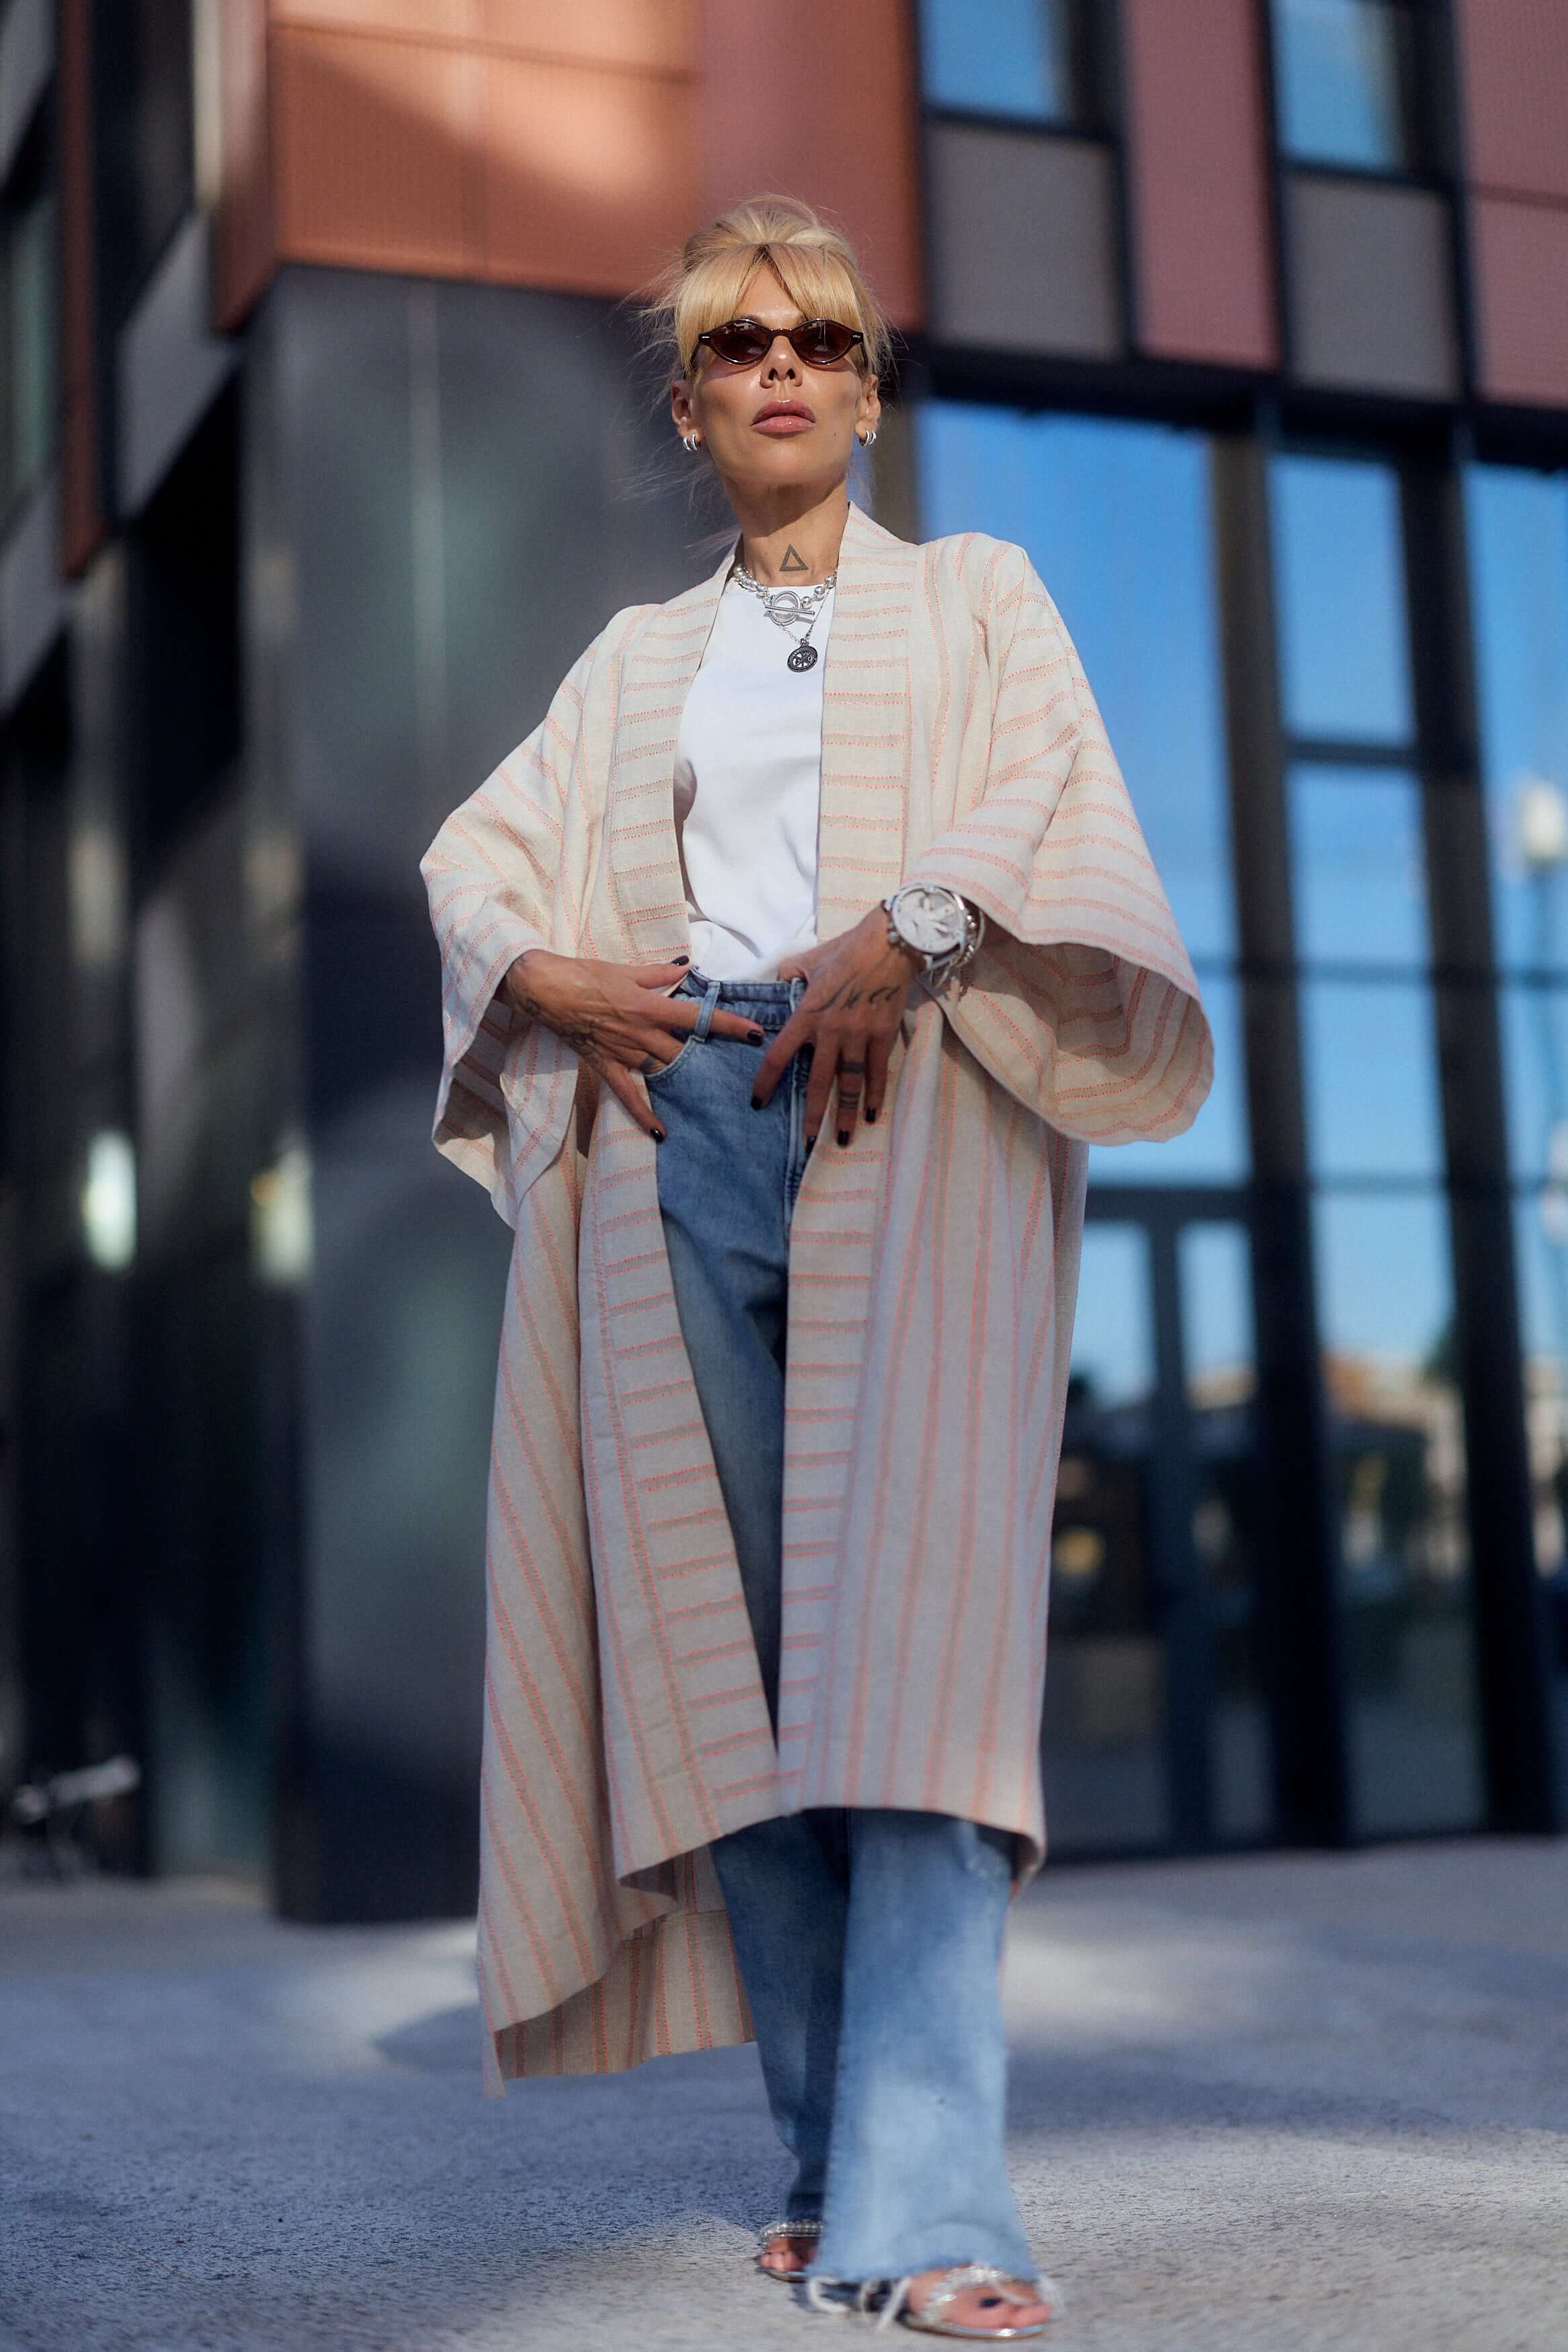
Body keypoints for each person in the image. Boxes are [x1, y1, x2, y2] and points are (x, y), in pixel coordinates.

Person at [421, 194, 1211, 2337]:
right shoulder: (629, 662)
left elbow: (1049, 790)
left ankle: (937, 2206)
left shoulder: (978, 597)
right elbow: (476, 865)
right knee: (741, 1676)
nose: (786, 362)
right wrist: (572, 984)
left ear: (868, 386)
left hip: (919, 1118)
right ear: (689, 402)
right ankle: (817, 2152)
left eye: (828, 336)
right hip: (687, 1126)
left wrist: (906, 937)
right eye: (741, 340)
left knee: (926, 1677)